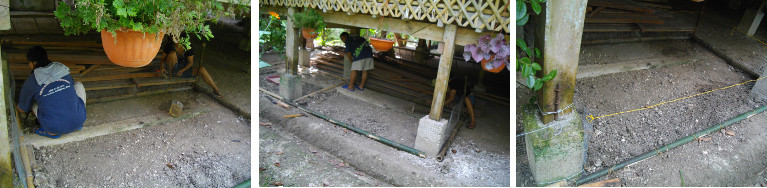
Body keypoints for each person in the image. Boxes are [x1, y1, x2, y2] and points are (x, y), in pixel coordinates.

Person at [17, 46, 86, 139]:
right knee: (78, 85)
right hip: (80, 119)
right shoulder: (61, 69)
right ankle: (75, 122)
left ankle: (51, 132)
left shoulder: (31, 82)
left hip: (54, 127)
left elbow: (22, 109)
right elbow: (71, 88)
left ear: (32, 63)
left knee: (33, 101)